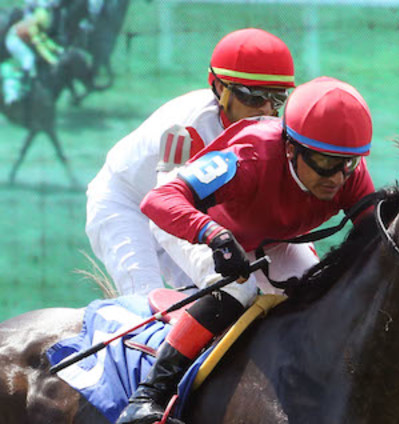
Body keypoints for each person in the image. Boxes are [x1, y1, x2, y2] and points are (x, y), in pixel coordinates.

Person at [112, 75, 377, 424]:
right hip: (202, 225)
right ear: (290, 148)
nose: (336, 178)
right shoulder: (250, 155)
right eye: (323, 162)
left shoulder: (349, 174)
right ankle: (149, 394)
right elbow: (158, 201)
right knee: (240, 290)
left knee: (318, 293)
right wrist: (215, 236)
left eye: (347, 163)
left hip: (271, 235)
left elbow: (375, 234)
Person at [85, 27, 295, 296]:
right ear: (220, 88)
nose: (266, 110)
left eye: (277, 98)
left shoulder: (271, 130)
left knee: (220, 298)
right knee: (146, 301)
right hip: (127, 204)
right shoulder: (188, 128)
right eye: (253, 96)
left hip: (184, 212)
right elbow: (166, 209)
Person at [1, 0, 62, 106]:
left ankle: (31, 80)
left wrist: (57, 49)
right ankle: (24, 85)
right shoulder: (33, 26)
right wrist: (52, 60)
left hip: (21, 38)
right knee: (29, 58)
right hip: (14, 40)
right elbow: (40, 46)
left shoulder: (37, 23)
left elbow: (45, 40)